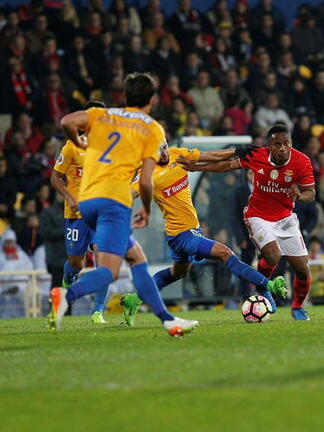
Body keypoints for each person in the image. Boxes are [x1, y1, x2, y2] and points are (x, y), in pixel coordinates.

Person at [49, 73, 198, 336]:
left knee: (136, 257)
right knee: (110, 270)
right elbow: (146, 182)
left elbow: (67, 121)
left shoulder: (103, 115)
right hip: (113, 201)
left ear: (124, 96)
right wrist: (148, 209)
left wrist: (78, 140)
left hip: (87, 200)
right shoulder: (152, 128)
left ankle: (168, 320)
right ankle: (67, 295)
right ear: (151, 100)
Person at [120, 144, 289, 325]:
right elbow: (128, 194)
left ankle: (133, 300)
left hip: (190, 230)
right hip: (181, 235)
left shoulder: (178, 154)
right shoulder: (148, 174)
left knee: (178, 273)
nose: (163, 152)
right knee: (225, 253)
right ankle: (268, 285)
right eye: (157, 150)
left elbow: (210, 156)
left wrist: (237, 152)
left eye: (164, 147)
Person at [180, 124, 317, 321]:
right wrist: (197, 167)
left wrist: (299, 196)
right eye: (277, 144)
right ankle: (263, 287)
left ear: (291, 143)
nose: (282, 148)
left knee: (302, 269)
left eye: (286, 143)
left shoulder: (302, 161)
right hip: (257, 215)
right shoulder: (257, 155)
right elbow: (227, 165)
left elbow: (310, 194)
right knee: (273, 256)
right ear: (269, 145)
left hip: (286, 218)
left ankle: (297, 307)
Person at [50, 109, 108, 324]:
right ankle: (69, 278)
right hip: (75, 214)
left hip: (100, 213)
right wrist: (69, 196)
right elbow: (55, 177)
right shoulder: (72, 146)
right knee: (76, 263)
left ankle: (98, 312)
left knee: (104, 263)